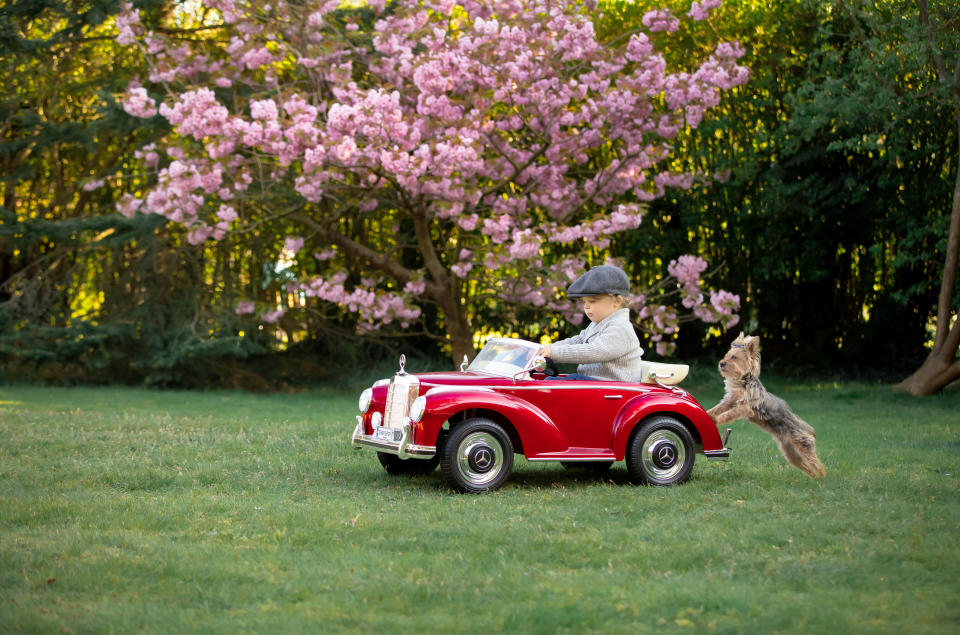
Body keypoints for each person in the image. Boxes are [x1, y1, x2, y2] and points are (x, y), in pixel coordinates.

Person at [540, 264, 644, 382]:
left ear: (617, 301)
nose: (586, 306)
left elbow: (594, 351)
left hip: (615, 389)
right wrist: (547, 349)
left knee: (554, 385)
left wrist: (554, 352)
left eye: (592, 301)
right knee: (550, 380)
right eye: (584, 302)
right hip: (594, 384)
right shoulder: (598, 324)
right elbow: (577, 341)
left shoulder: (620, 328)